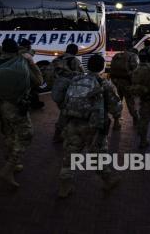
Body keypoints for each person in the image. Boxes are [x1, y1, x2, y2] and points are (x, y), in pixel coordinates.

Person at [58, 54, 122, 198]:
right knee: (98, 156)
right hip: (94, 127)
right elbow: (116, 108)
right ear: (102, 67)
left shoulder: (76, 79)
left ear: (87, 66)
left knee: (69, 156)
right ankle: (108, 180)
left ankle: (64, 187)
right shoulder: (105, 83)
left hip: (72, 123)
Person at [0, 38, 43, 187]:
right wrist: (31, 62)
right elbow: (38, 81)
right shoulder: (21, 63)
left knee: (9, 135)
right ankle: (8, 168)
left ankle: (13, 164)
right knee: (25, 135)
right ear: (16, 50)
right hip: (17, 106)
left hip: (1, 106)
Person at [51, 43, 85, 143]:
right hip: (69, 91)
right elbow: (81, 75)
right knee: (65, 113)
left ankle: (61, 133)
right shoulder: (74, 60)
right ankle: (59, 135)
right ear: (75, 51)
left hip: (57, 90)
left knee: (64, 111)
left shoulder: (57, 59)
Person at [109, 46, 139, 129]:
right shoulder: (133, 56)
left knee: (117, 102)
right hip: (126, 83)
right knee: (130, 102)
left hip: (116, 81)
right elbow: (135, 71)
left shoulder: (118, 55)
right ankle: (135, 119)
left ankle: (116, 122)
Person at [19, 38, 44, 109]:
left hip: (20, 74)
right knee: (33, 88)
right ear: (27, 46)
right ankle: (34, 104)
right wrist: (38, 78)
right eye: (30, 45)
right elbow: (33, 67)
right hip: (27, 74)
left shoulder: (18, 52)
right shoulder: (27, 55)